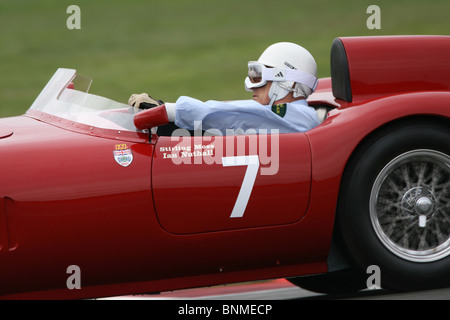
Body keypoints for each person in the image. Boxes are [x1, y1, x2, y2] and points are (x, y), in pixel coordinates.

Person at [128, 42, 320, 135]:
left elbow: (235, 114)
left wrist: (167, 109)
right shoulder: (287, 115)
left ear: (290, 84)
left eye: (259, 76)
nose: (252, 85)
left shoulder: (290, 114)